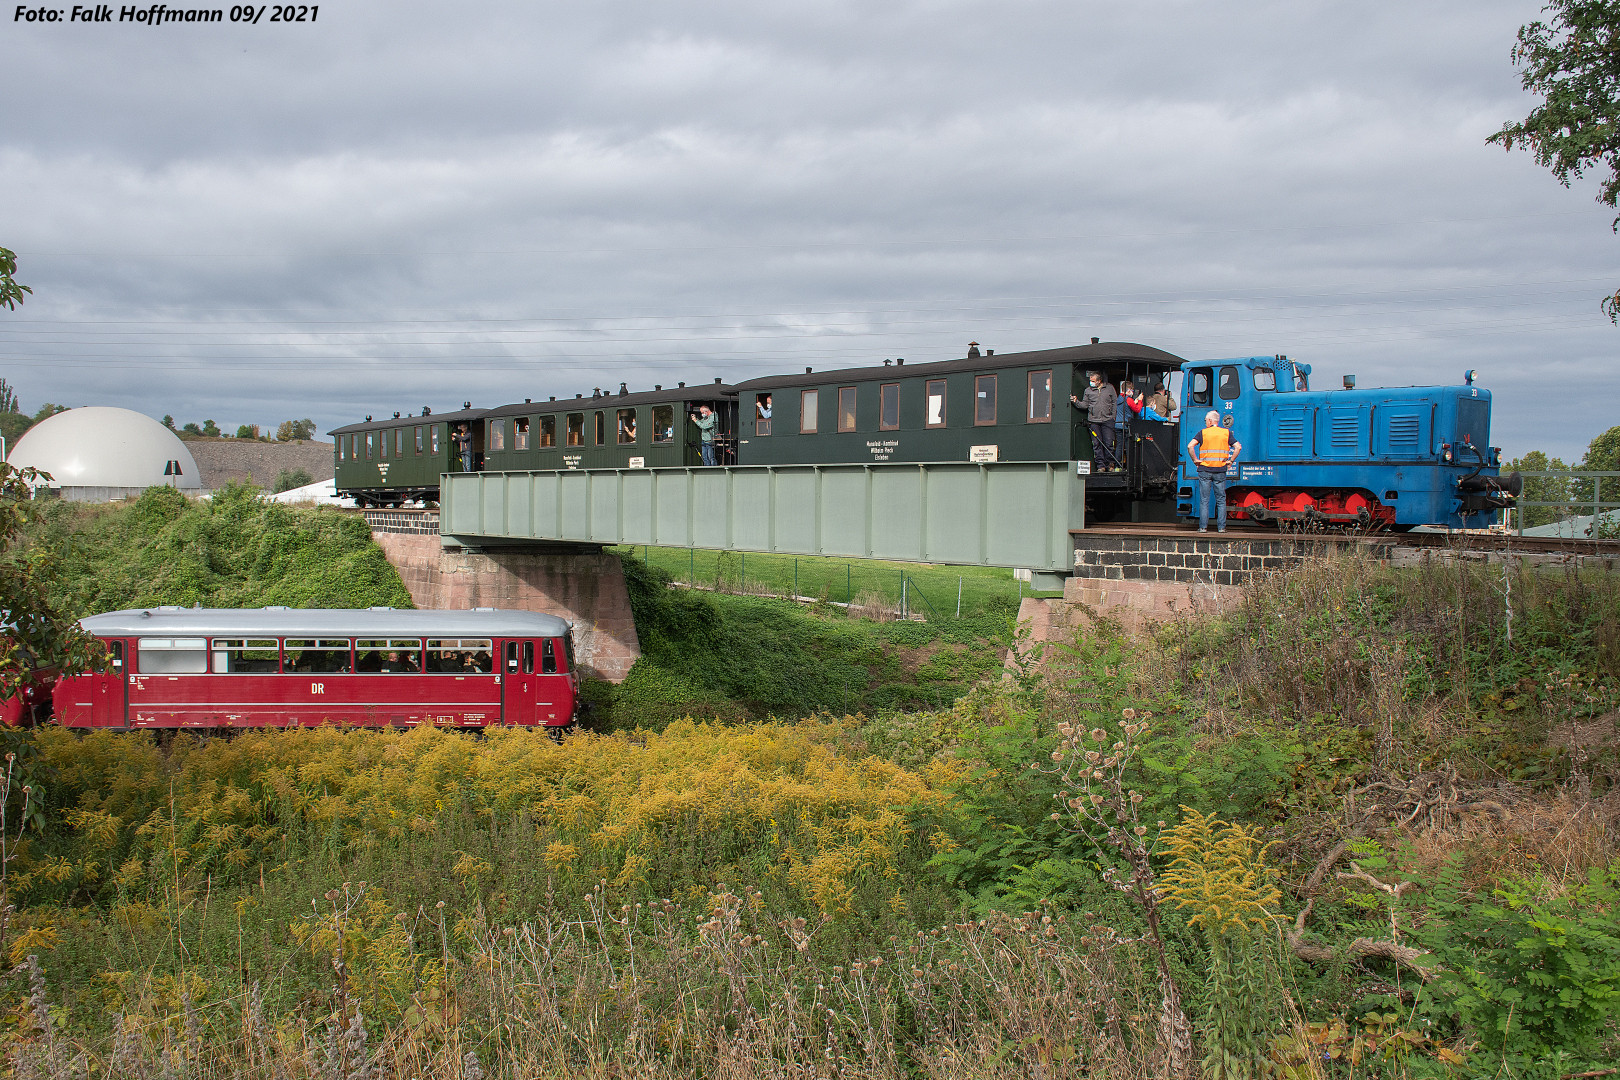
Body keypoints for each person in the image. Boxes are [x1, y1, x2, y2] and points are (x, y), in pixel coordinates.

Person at [1187, 410, 1242, 532]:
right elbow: (1238, 447)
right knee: (1221, 500)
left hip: (1205, 470)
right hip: (1220, 470)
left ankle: (1203, 528)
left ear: (1210, 420)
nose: (1205, 422)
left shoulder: (1203, 433)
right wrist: (1231, 460)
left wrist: (1195, 460)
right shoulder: (1226, 433)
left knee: (1204, 500)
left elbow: (1190, 446)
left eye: (1206, 420)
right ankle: (1221, 528)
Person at [1070, 372, 1119, 470]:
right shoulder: (1088, 390)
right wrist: (1076, 402)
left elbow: (1114, 402)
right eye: (1090, 381)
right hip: (1093, 421)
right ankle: (1101, 466)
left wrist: (1113, 416)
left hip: (1107, 420)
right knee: (1096, 444)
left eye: (1093, 381)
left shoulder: (1109, 388)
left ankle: (1110, 464)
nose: (1091, 383)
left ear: (1099, 381)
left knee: (1109, 442)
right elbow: (1085, 405)